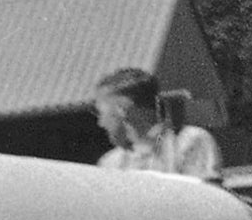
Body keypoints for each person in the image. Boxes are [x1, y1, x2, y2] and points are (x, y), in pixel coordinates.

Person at [93, 68, 222, 184]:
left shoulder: (190, 142)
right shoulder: (110, 163)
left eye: (101, 113)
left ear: (121, 109)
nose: (101, 123)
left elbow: (202, 200)